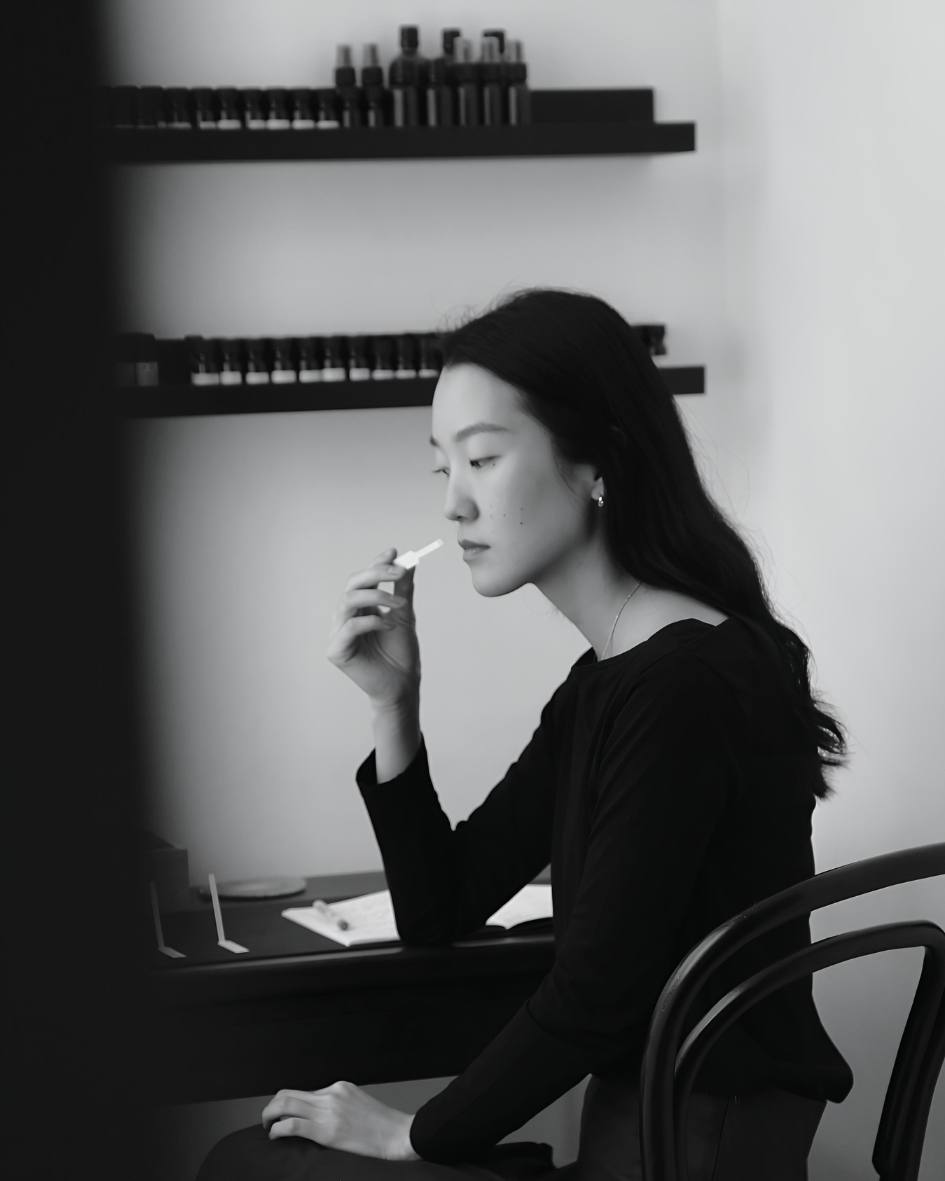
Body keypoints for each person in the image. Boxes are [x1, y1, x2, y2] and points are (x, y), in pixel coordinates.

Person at [196, 288, 853, 1181]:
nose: (454, 505)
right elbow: (441, 907)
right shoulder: (611, 678)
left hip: (689, 1151)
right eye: (443, 468)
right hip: (640, 1139)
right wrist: (394, 703)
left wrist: (414, 1133)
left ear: (598, 461)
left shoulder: (681, 684)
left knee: (255, 1164)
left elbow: (595, 997)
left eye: (482, 459)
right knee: (260, 1158)